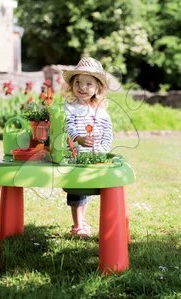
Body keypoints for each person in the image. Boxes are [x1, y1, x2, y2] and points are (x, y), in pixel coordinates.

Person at [62, 57, 113, 238]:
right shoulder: (70, 107)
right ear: (72, 85)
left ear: (97, 88)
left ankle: (82, 221)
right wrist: (78, 138)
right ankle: (78, 225)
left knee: (87, 190)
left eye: (88, 84)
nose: (82, 87)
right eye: (78, 83)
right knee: (76, 190)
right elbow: (67, 127)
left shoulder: (101, 111)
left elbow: (107, 132)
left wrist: (103, 150)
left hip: (94, 158)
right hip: (76, 156)